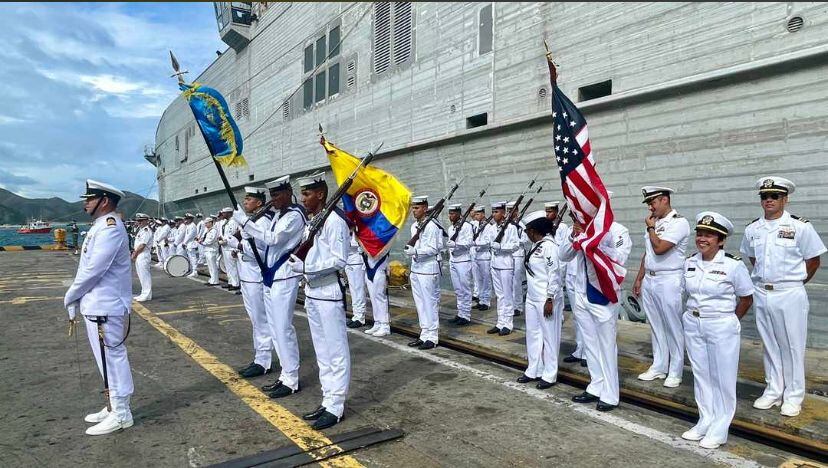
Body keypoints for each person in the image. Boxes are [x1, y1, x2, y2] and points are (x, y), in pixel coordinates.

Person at [740, 176, 826, 418]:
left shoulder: (800, 227)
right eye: (764, 196)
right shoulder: (753, 229)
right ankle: (773, 389)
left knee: (792, 346)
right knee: (769, 344)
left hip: (789, 293)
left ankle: (794, 395)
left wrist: (792, 282)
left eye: (775, 196)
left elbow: (814, 260)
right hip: (762, 292)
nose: (769, 200)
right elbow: (754, 259)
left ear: (785, 199)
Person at [63, 180, 134, 436]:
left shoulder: (110, 228)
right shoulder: (101, 226)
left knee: (112, 357)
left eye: (89, 199)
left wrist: (71, 295)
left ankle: (122, 413)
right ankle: (113, 404)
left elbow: (94, 269)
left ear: (104, 201)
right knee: (103, 358)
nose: (85, 204)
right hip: (96, 304)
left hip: (106, 304)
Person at [679, 211, 753, 449]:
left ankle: (720, 427)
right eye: (700, 234)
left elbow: (746, 298)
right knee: (701, 374)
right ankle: (706, 419)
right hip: (693, 322)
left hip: (721, 324)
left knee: (723, 377)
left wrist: (730, 320)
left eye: (709, 235)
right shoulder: (690, 262)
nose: (702, 239)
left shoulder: (733, 265)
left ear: (721, 240)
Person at [288, 172, 350, 430]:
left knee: (336, 353)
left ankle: (336, 406)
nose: (303, 198)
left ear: (320, 194)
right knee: (322, 353)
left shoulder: (334, 221)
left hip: (329, 294)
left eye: (307, 193)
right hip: (313, 293)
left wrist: (306, 268)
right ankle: (327, 399)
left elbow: (339, 260)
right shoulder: (313, 220)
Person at [236, 176, 306, 398]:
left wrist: (246, 224)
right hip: (272, 276)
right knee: (275, 328)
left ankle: (291, 378)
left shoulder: (294, 215)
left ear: (288, 194)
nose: (273, 199)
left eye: (277, 195)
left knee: (283, 328)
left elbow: (274, 239)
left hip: (284, 275)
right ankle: (285, 375)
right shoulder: (280, 215)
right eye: (272, 195)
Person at [559, 202, 631, 412]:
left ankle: (610, 393)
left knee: (606, 345)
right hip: (582, 292)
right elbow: (563, 255)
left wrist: (594, 240)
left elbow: (620, 258)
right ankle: (596, 385)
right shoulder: (579, 228)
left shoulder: (617, 230)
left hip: (603, 295)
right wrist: (575, 236)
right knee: (590, 344)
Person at [631, 186, 690, 388]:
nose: (650, 207)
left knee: (672, 326)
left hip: (669, 279)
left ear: (665, 200)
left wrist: (650, 228)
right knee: (656, 325)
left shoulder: (679, 222)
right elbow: (648, 253)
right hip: (651, 278)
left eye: (653, 202)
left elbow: (660, 248)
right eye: (649, 203)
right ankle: (659, 365)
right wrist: (639, 277)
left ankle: (675, 370)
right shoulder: (654, 222)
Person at [225, 187, 275, 378]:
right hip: (247, 275)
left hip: (256, 276)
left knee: (260, 319)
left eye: (249, 199)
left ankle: (264, 361)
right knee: (255, 319)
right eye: (245, 199)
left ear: (259, 202)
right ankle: (259, 357)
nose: (245, 202)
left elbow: (261, 252)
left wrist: (237, 244)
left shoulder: (262, 222)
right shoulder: (253, 220)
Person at [517, 210, 564, 390]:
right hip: (532, 296)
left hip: (546, 298)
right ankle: (534, 369)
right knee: (533, 334)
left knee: (550, 336)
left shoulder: (549, 247)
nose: (526, 234)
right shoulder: (536, 245)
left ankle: (550, 374)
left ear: (534, 230)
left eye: (527, 230)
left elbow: (554, 274)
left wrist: (550, 298)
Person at [547, 202, 586, 367]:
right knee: (577, 316)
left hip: (584, 277)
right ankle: (580, 348)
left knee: (587, 317)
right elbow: (562, 253)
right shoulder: (571, 229)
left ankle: (588, 352)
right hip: (571, 274)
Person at [404, 195, 444, 349]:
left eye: (417, 208)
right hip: (416, 269)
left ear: (425, 208)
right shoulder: (414, 226)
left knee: (430, 303)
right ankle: (424, 333)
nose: (414, 211)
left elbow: (434, 248)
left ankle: (432, 337)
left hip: (428, 269)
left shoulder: (432, 226)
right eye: (413, 208)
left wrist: (416, 252)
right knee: (420, 304)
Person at [479, 201, 520, 336]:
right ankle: (500, 322)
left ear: (503, 213)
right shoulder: (492, 228)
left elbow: (515, 245)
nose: (494, 214)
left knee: (507, 295)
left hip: (506, 264)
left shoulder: (511, 227)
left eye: (496, 212)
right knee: (499, 296)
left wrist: (502, 247)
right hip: (495, 263)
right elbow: (489, 242)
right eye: (493, 212)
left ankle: (508, 323)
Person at [446, 203, 475, 326]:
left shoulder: (467, 226)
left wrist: (456, 245)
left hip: (463, 261)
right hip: (453, 261)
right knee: (458, 289)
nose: (450, 216)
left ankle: (466, 315)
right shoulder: (451, 228)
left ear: (459, 214)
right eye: (449, 214)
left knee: (465, 289)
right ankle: (460, 313)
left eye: (453, 213)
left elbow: (469, 243)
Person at [362, 245, 391, 337]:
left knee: (380, 298)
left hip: (379, 269)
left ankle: (385, 325)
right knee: (373, 298)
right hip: (368, 267)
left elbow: (379, 252)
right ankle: (377, 322)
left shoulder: (384, 240)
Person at [507, 201, 529, 318]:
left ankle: (518, 307)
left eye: (512, 210)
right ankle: (510, 305)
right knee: (509, 282)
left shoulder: (521, 224)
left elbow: (526, 240)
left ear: (517, 211)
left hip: (518, 254)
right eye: (508, 210)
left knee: (517, 282)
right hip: (508, 255)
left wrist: (515, 241)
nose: (510, 213)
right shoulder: (506, 224)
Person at [345, 228, 369, 329]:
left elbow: (358, 243)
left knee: (358, 289)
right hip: (348, 259)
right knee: (353, 290)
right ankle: (356, 315)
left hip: (356, 259)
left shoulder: (358, 226)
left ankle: (360, 317)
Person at [471, 206, 492, 311]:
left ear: (483, 214)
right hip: (477, 255)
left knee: (486, 280)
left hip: (485, 255)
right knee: (478, 280)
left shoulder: (488, 226)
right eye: (475, 214)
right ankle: (480, 299)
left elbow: (488, 241)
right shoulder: (476, 225)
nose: (476, 216)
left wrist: (476, 243)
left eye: (478, 214)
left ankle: (486, 301)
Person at [218, 207, 241, 292]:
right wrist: (221, 238)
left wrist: (225, 240)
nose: (222, 214)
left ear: (229, 213)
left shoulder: (233, 222)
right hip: (225, 247)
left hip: (231, 247)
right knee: (228, 267)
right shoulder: (225, 222)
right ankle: (230, 282)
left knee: (233, 266)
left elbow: (233, 234)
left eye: (224, 213)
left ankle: (236, 284)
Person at [131, 213, 153, 302]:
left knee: (145, 275)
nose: (139, 222)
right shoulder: (141, 230)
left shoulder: (146, 231)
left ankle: (147, 294)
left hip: (143, 254)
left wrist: (135, 254)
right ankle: (144, 293)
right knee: (141, 275)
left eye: (141, 221)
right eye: (138, 221)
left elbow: (142, 245)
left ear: (146, 221)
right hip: (139, 254)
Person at [201, 217, 220, 286]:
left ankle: (215, 281)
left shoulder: (214, 230)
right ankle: (212, 279)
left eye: (206, 223)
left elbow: (210, 241)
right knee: (210, 266)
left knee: (213, 266)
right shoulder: (207, 230)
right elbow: (203, 238)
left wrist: (202, 243)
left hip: (212, 250)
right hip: (207, 249)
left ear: (210, 223)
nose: (205, 224)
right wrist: (201, 240)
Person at [183, 213, 199, 277]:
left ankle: (195, 271)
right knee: (190, 258)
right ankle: (192, 270)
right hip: (189, 244)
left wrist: (184, 243)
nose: (186, 220)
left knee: (193, 258)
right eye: (186, 219)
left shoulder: (193, 226)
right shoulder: (188, 226)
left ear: (191, 219)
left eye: (188, 219)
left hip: (192, 244)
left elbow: (190, 236)